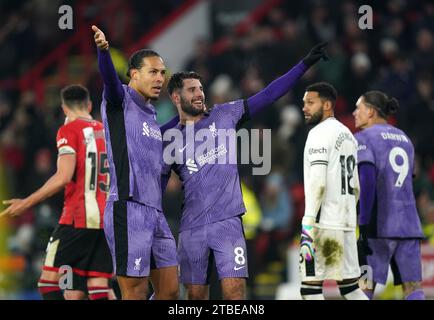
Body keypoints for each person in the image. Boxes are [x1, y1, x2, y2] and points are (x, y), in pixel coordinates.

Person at [161, 42, 329, 299]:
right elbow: (156, 183)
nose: (199, 94)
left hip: (228, 223)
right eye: (192, 89)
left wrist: (303, 65)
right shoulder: (168, 137)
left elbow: (270, 94)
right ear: (175, 97)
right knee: (195, 296)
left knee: (235, 292)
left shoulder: (225, 114)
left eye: (201, 89)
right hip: (192, 227)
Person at [1, 85, 113, 300]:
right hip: (105, 221)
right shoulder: (106, 131)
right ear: (89, 105)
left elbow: (62, 177)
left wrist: (25, 203)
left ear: (64, 109)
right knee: (93, 286)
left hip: (76, 220)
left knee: (48, 283)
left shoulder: (68, 131)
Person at [92, 25, 178, 300]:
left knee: (170, 291)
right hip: (128, 210)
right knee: (136, 293)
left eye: (162, 73)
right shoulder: (121, 101)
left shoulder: (151, 114)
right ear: (134, 74)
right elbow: (109, 80)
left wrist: (188, 117)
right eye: (153, 72)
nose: (160, 79)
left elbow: (161, 135)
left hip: (155, 213)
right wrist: (104, 52)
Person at [353, 90, 425, 300]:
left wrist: (363, 224)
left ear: (371, 112)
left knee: (364, 287)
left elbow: (366, 180)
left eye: (359, 108)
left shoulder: (363, 138)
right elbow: (411, 179)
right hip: (409, 227)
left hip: (378, 227)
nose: (354, 112)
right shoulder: (405, 138)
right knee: (413, 288)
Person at [299, 82, 367, 300]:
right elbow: (356, 186)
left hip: (322, 224)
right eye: (303, 103)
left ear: (327, 105)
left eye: (310, 102)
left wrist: (308, 221)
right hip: (346, 224)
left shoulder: (318, 134)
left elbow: (318, 182)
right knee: (350, 288)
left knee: (310, 289)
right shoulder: (348, 134)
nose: (304, 107)